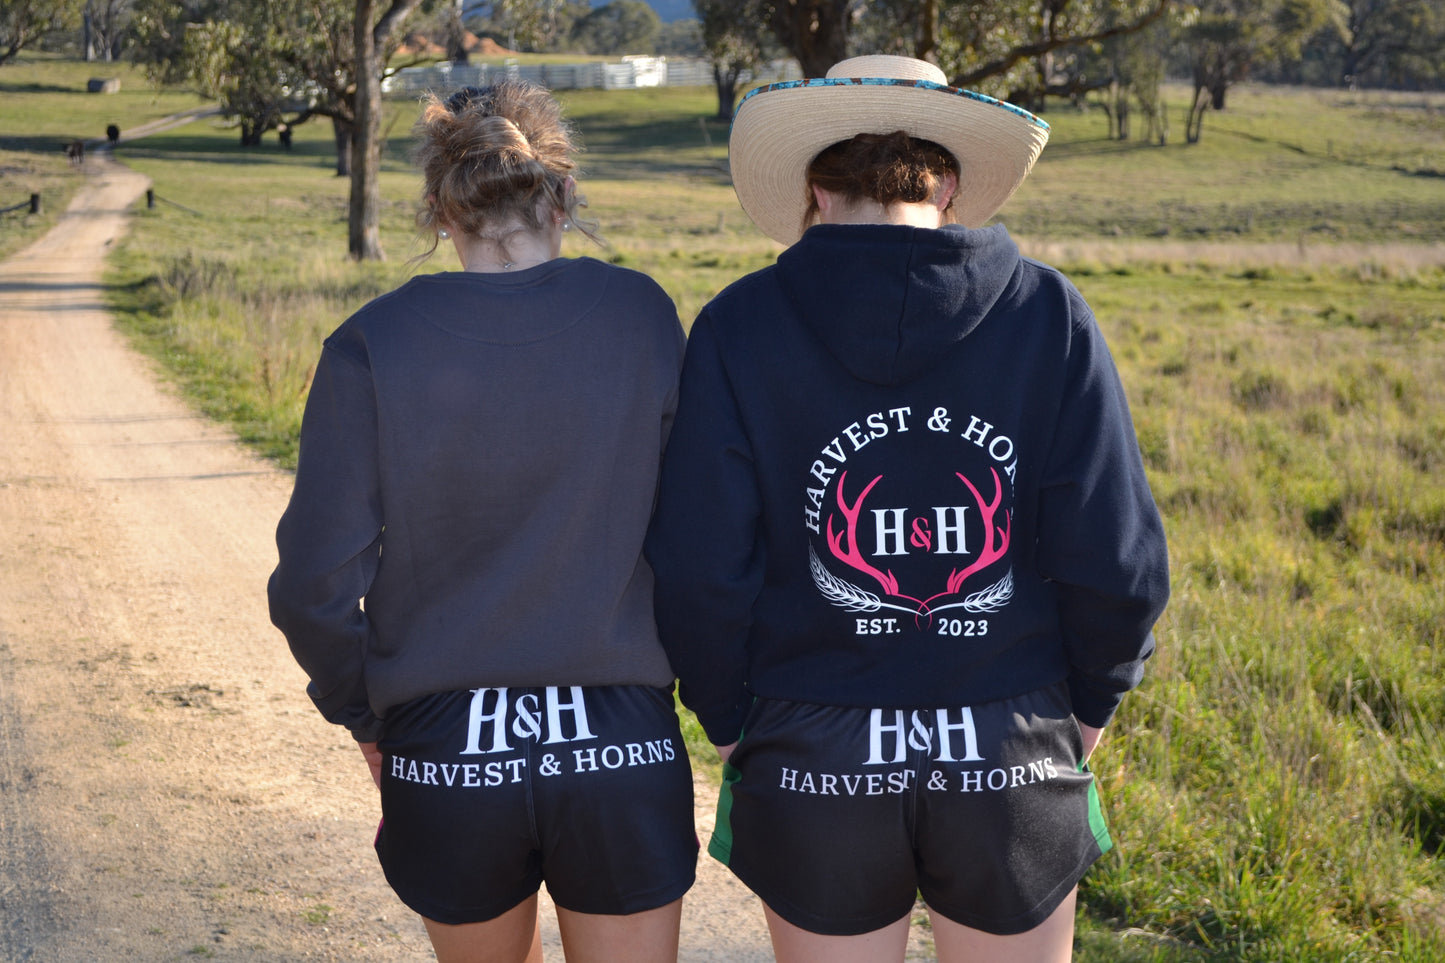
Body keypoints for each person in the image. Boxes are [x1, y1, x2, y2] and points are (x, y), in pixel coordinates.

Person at [645, 55, 1170, 963]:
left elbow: (698, 564)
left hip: (809, 745)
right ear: (953, 182)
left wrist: (729, 722)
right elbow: (1115, 557)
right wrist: (1085, 708)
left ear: (814, 185)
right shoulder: (1050, 314)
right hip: (1008, 737)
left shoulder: (739, 323)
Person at [269, 80, 696, 963]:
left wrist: (365, 713)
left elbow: (312, 582)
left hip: (447, 750)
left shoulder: (371, 343)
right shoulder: (640, 316)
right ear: (564, 195)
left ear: (438, 210)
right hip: (618, 744)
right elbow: (700, 534)